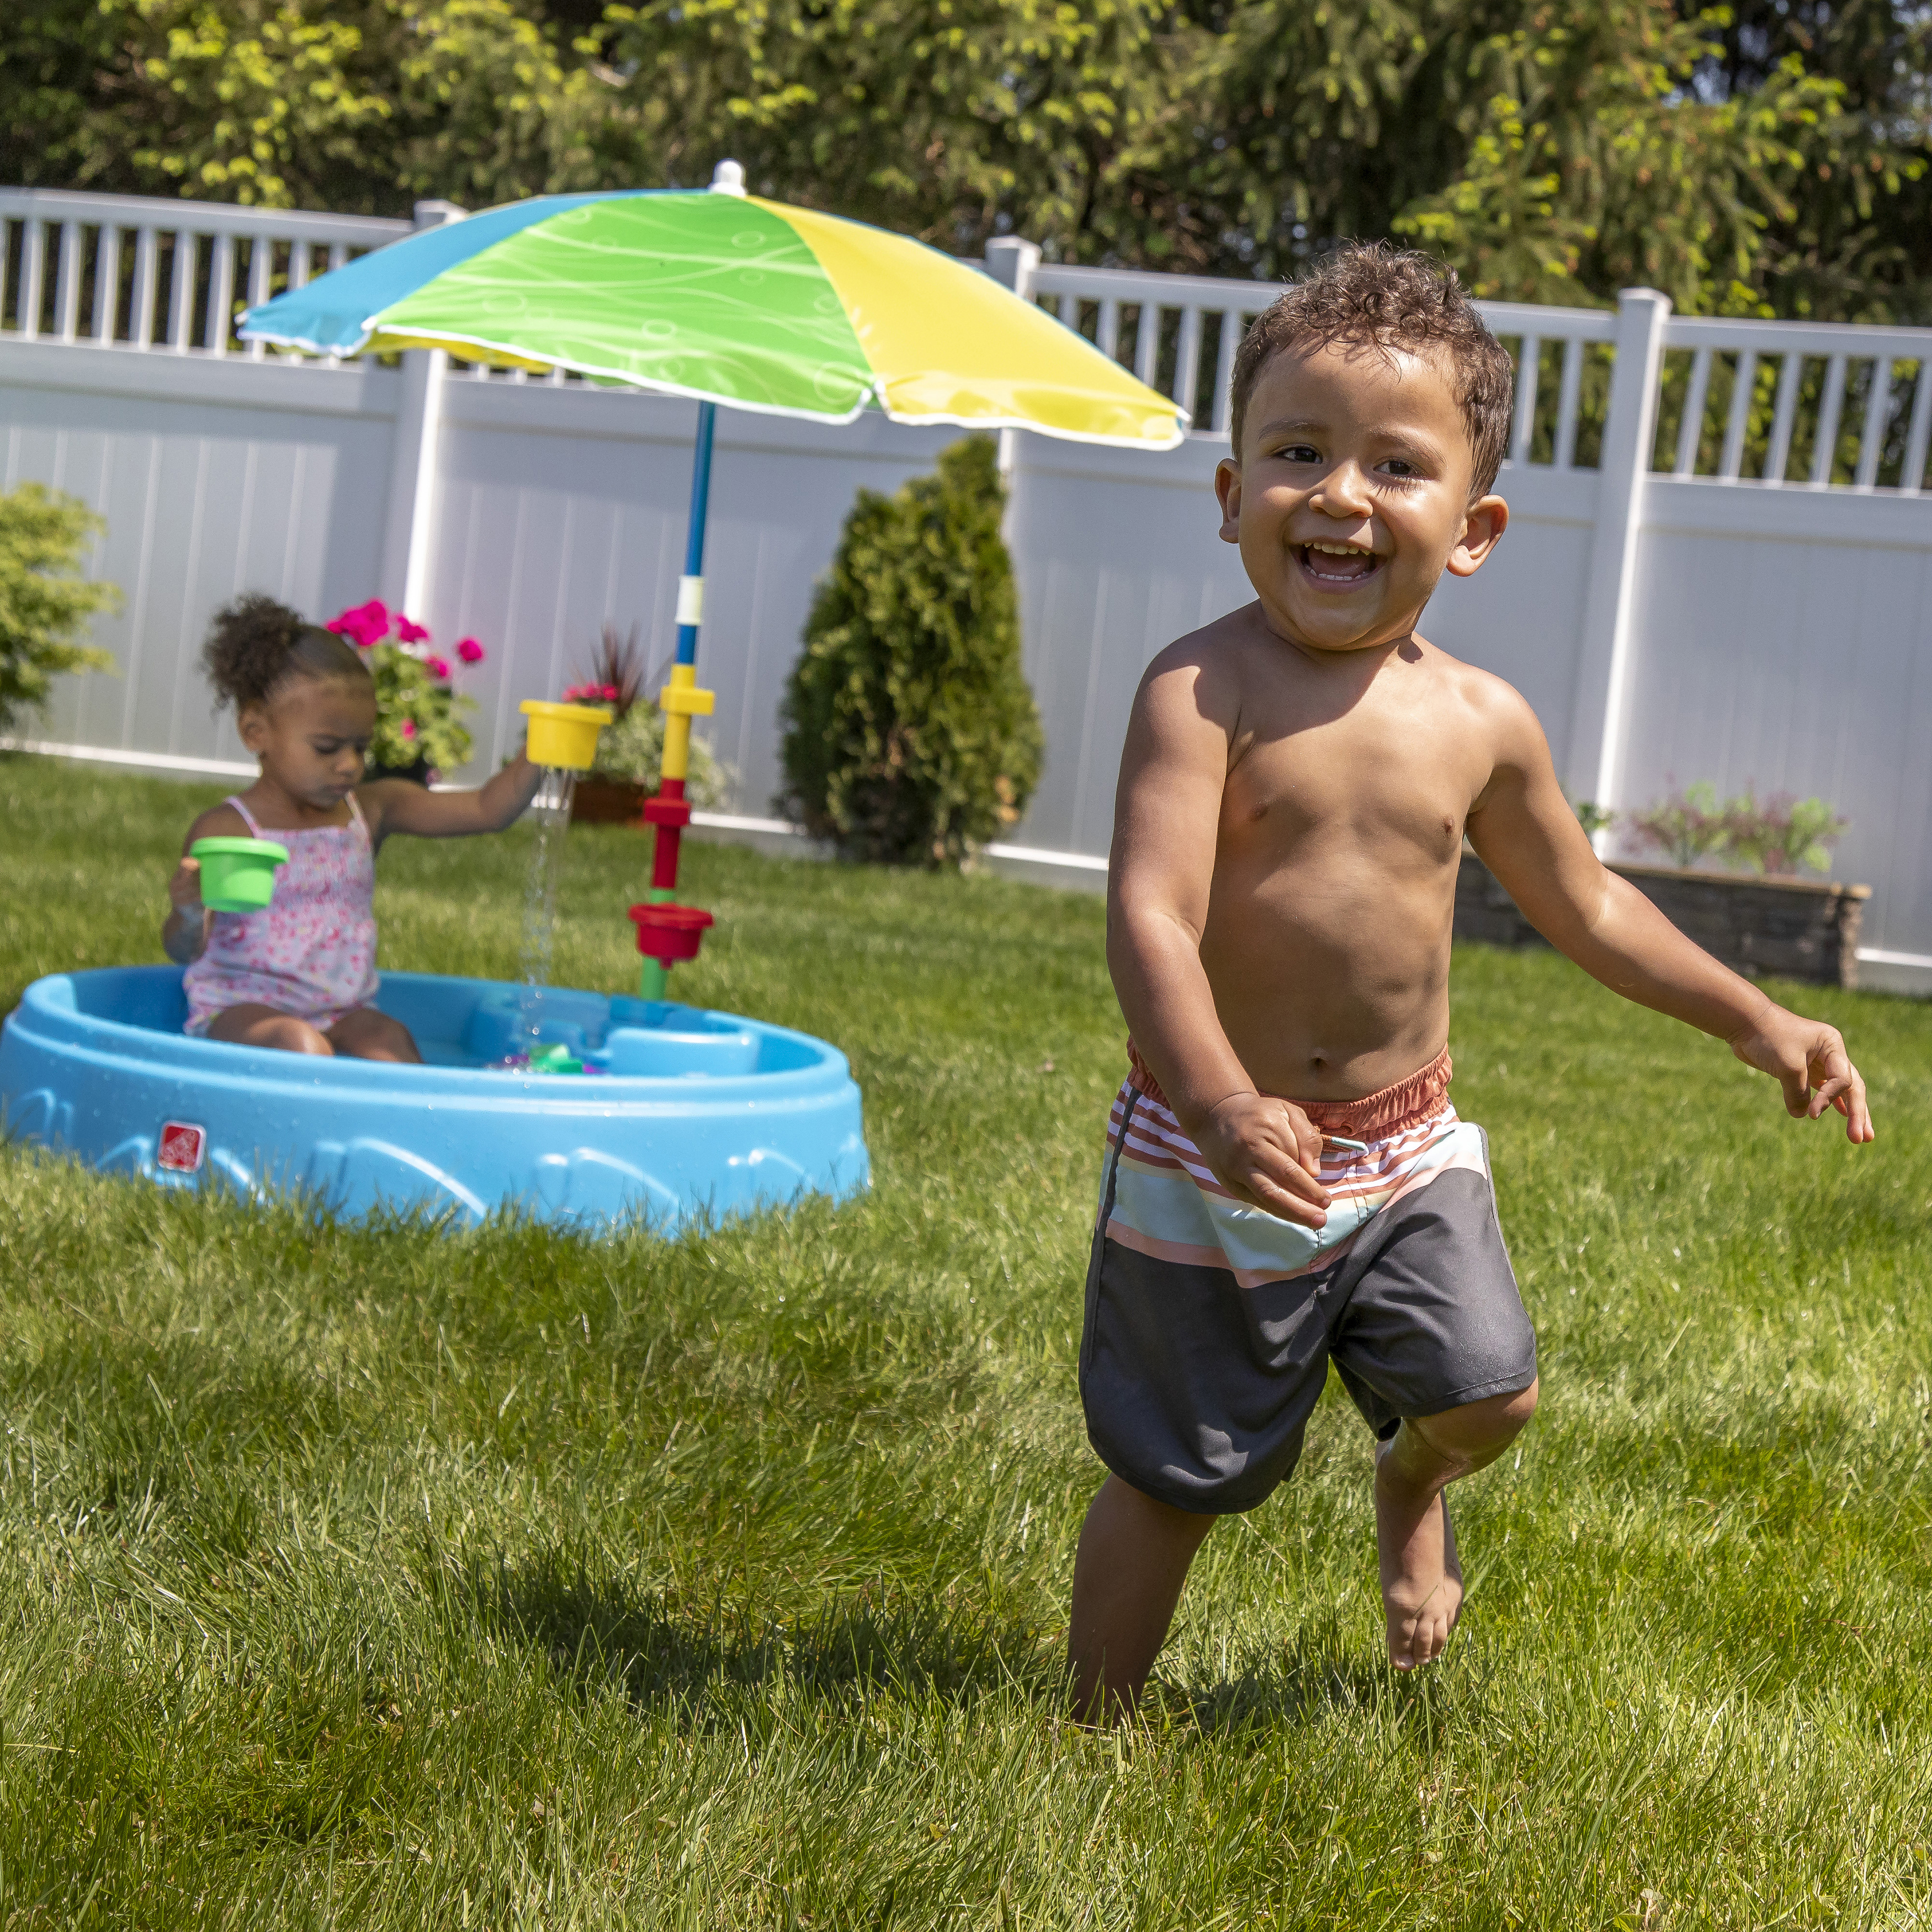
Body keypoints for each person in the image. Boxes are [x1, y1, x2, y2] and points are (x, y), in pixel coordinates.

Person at [1069, 243, 1873, 1720]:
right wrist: (1219, 1094)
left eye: (1394, 464)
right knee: (1177, 1470)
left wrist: (1760, 1018)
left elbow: (1586, 903)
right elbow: (1147, 915)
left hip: (1402, 1147)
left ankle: (1408, 1479)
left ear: (1471, 525)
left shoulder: (1480, 721)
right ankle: (1087, 1727)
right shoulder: (1200, 692)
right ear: (1231, 491)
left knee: (1488, 1387)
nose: (1340, 494)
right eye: (1297, 452)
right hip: (1211, 1146)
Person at [164, 593, 543, 1060]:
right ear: (256, 732)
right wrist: (187, 913)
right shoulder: (228, 828)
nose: (349, 766)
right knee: (299, 1047)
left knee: (391, 1045)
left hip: (342, 1011)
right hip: (243, 1012)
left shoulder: (371, 810)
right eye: (327, 747)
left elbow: (489, 809)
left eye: (360, 747)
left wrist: (543, 743)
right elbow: (185, 951)